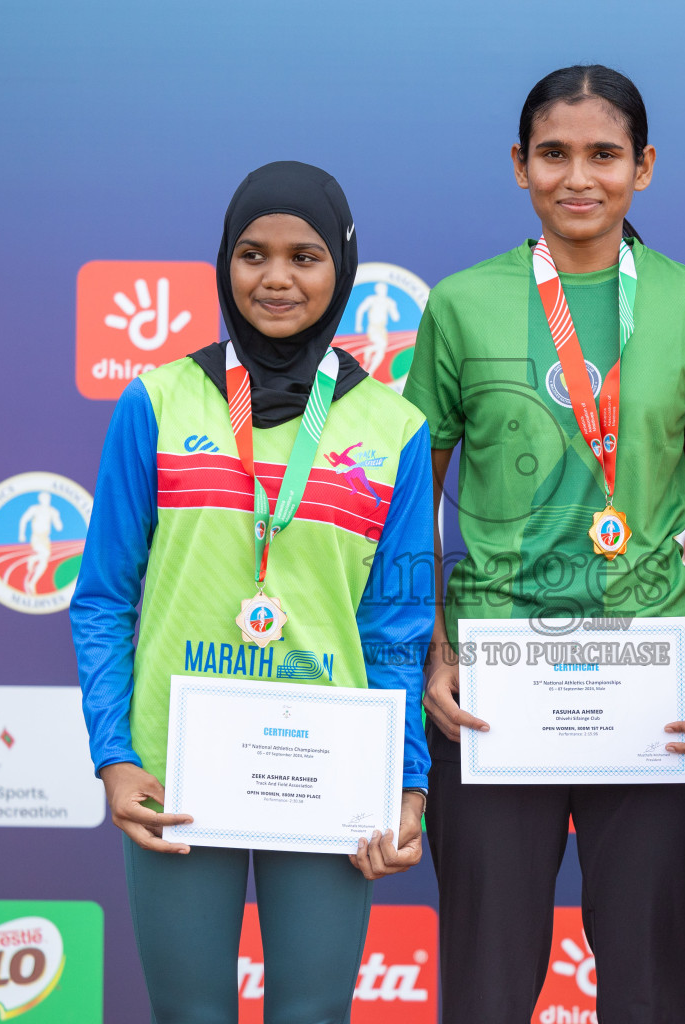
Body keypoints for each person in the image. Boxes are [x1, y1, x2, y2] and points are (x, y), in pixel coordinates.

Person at [403, 64, 685, 1024]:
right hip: (491, 681)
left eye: (604, 154)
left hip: (651, 680)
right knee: (487, 982)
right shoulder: (462, 303)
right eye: (553, 154)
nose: (578, 177)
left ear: (645, 166)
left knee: (644, 984)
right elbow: (406, 504)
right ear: (520, 166)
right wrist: (432, 646)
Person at [69, 161, 433, 1024]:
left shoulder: (394, 428)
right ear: (223, 266)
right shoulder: (157, 402)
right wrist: (117, 758)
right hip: (175, 769)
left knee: (311, 1015)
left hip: (331, 773)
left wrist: (406, 784)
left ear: (341, 268)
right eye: (252, 254)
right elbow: (103, 599)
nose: (276, 278)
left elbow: (397, 624)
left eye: (305, 256)